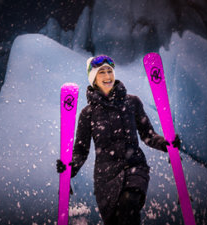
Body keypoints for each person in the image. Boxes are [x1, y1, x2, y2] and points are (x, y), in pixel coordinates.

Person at [56, 55, 181, 225]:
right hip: (105, 177)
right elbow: (81, 150)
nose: (107, 76)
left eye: (109, 71)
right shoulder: (88, 114)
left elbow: (148, 134)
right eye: (101, 72)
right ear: (93, 79)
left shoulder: (132, 102)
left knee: (129, 202)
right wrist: (70, 169)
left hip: (134, 166)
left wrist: (164, 143)